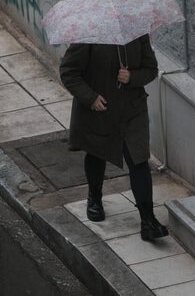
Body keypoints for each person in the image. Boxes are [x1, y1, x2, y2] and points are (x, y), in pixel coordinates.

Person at [59, 34, 168, 241]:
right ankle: (95, 197)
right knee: (97, 153)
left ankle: (147, 219)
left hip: (132, 110)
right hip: (101, 109)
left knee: (139, 160)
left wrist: (131, 77)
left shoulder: (137, 33)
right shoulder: (89, 35)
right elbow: (69, 72)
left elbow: (150, 69)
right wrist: (90, 98)